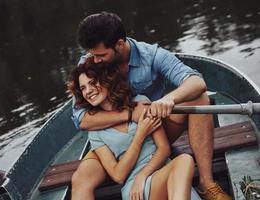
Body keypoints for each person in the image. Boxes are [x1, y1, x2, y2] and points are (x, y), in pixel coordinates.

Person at [71, 12, 231, 200]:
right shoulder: (89, 62)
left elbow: (196, 83)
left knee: (199, 99)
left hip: (152, 130)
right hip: (110, 140)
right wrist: (130, 114)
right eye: (92, 54)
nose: (94, 60)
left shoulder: (152, 55)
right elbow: (82, 119)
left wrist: (167, 100)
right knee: (81, 179)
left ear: (119, 45)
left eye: (101, 55)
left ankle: (207, 183)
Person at [68, 58, 195, 200]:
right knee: (184, 160)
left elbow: (164, 148)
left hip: (165, 172)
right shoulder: (95, 131)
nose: (88, 91)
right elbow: (118, 175)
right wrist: (140, 136)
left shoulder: (140, 102)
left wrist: (143, 175)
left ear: (106, 80)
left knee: (182, 168)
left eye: (92, 83)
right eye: (83, 88)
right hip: (136, 190)